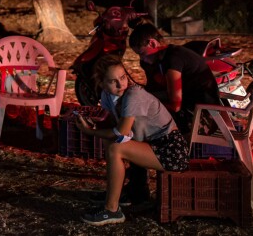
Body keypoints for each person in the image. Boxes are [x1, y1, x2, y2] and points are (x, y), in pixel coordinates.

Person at [77, 54, 189, 226]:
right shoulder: (108, 96)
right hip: (151, 144)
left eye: (122, 77)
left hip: (171, 149)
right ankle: (129, 192)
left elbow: (121, 132)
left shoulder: (133, 94)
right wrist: (92, 123)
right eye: (112, 81)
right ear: (102, 83)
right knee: (110, 143)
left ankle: (112, 210)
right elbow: (115, 128)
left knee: (116, 147)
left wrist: (90, 131)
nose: (120, 84)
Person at [128, 23, 219, 133]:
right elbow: (152, 90)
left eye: (142, 53)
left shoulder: (173, 59)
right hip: (193, 107)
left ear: (152, 43)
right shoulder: (165, 56)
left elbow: (175, 106)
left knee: (142, 116)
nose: (142, 58)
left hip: (203, 118)